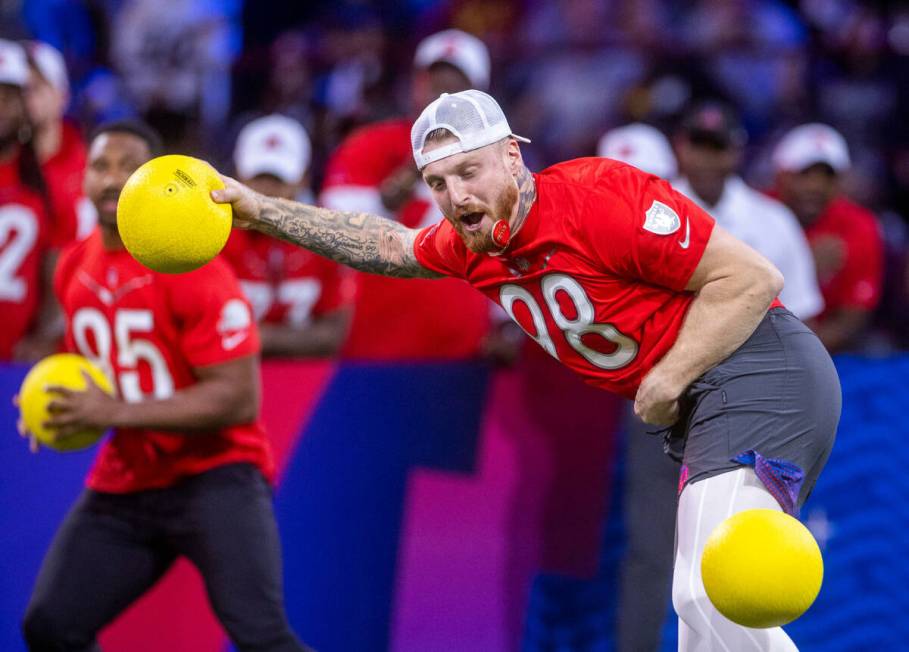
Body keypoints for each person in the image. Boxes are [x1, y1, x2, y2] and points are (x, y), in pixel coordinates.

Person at [213, 89, 841, 651]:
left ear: (512, 156)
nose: (456, 196)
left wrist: (669, 376)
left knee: (713, 583)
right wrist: (262, 211)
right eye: (437, 183)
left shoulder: (598, 196)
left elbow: (752, 278)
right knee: (698, 609)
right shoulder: (468, 244)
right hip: (716, 399)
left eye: (469, 171)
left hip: (762, 373)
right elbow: (384, 245)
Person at [20, 120, 312, 652]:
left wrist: (113, 413)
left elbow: (238, 398)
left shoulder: (191, 264)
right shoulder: (71, 267)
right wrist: (50, 406)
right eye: (100, 165)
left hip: (216, 476)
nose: (111, 179)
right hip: (128, 480)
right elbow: (98, 367)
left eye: (127, 166)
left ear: (150, 180)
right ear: (82, 178)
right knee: (50, 625)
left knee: (262, 636)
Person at [320, 29, 492, 359]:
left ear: (480, 94)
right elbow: (335, 232)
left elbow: (514, 252)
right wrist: (415, 166)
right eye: (434, 80)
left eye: (455, 84)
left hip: (465, 356)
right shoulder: (367, 146)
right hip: (373, 348)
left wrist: (505, 325)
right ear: (416, 84)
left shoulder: (500, 162)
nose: (442, 95)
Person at [598, 121, 684, 652]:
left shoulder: (702, 236)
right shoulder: (580, 250)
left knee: (737, 545)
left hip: (727, 403)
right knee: (651, 550)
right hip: (653, 411)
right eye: (614, 186)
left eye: (642, 183)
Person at [673, 101, 824, 321]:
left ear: (737, 152)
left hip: (757, 350)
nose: (706, 160)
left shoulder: (775, 220)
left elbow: (800, 312)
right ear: (680, 148)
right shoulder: (651, 212)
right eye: (698, 147)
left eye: (717, 148)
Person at [222, 114, 351, 357]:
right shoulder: (217, 236)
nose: (267, 192)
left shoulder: (328, 234)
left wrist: (256, 338)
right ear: (239, 175)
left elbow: (334, 335)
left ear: (302, 178)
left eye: (279, 180)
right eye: (259, 178)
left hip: (309, 383)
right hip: (235, 377)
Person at [772, 123, 884, 352]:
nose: (815, 186)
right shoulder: (755, 211)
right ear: (781, 175)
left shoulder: (858, 225)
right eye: (805, 175)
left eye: (827, 177)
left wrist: (801, 358)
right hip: (756, 345)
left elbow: (851, 318)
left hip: (827, 353)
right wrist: (801, 263)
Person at [0, 39, 61, 362]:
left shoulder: (48, 183)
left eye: (6, 97)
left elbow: (57, 275)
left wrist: (44, 338)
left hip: (15, 365)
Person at [24, 40, 93, 242]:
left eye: (34, 88)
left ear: (62, 96)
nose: (24, 99)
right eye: (16, 90)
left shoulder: (93, 163)